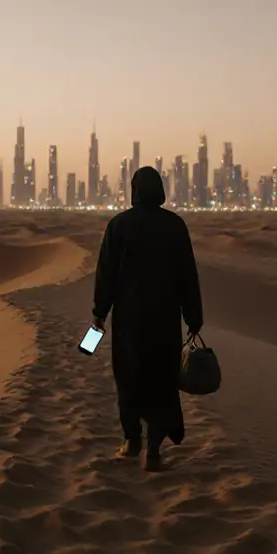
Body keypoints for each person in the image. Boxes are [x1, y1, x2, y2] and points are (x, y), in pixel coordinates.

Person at [92, 165, 203, 471]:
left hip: (129, 321)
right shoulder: (175, 226)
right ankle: (153, 449)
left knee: (128, 379)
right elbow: (188, 277)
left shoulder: (119, 225)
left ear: (135, 190)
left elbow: (106, 275)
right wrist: (194, 317)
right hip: (165, 320)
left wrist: (99, 313)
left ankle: (131, 441)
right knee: (161, 382)